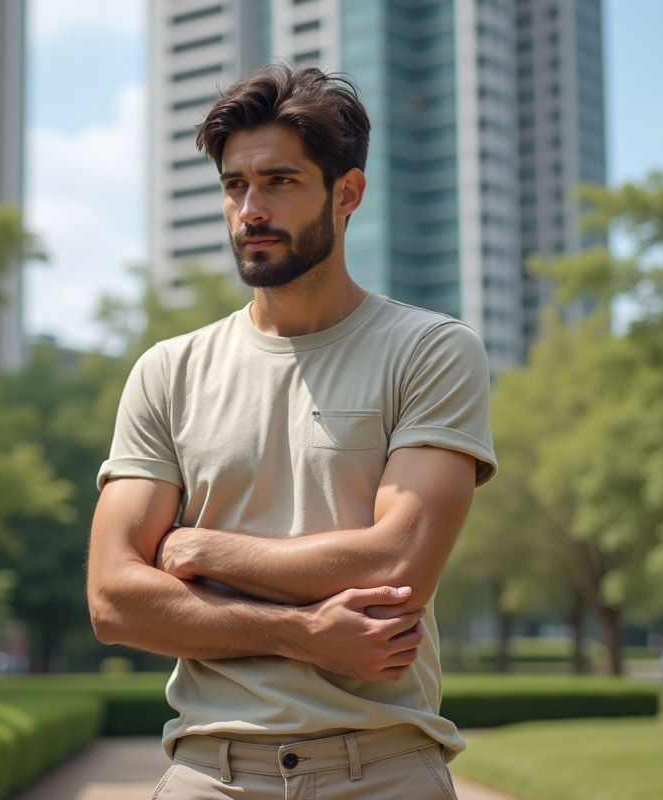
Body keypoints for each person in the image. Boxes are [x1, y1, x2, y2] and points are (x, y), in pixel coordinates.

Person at [87, 65, 497, 800]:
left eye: (279, 181)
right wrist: (297, 634)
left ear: (347, 194)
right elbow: (115, 600)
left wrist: (201, 548)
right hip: (209, 773)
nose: (250, 208)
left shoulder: (432, 351)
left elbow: (397, 560)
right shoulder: (167, 371)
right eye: (235, 185)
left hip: (383, 770)